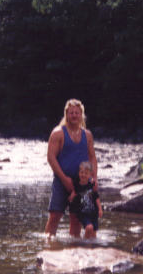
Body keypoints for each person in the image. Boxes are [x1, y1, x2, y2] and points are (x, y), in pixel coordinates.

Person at [44, 99, 98, 237]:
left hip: (81, 183)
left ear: (81, 115)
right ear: (66, 115)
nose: (74, 115)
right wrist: (63, 178)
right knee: (54, 216)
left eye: (77, 113)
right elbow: (51, 157)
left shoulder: (88, 135)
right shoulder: (58, 133)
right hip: (61, 181)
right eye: (71, 113)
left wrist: (94, 178)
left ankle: (74, 250)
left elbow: (92, 158)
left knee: (76, 219)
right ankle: (48, 249)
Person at [68, 161, 103, 239]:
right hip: (83, 213)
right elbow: (70, 200)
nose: (83, 175)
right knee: (89, 228)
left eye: (86, 173)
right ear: (79, 172)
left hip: (93, 212)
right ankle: (85, 244)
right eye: (82, 172)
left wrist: (100, 209)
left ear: (90, 174)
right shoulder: (76, 185)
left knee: (93, 233)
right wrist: (72, 197)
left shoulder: (91, 184)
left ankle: (91, 247)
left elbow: (96, 197)